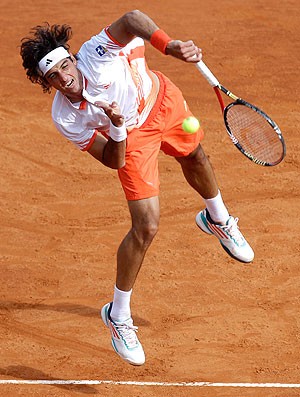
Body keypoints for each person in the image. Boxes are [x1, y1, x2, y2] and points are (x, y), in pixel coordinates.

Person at [20, 9, 254, 366]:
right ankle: (118, 316)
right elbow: (113, 160)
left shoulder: (96, 53)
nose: (64, 78)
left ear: (73, 58)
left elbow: (131, 18)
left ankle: (218, 219)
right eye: (53, 77)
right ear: (46, 83)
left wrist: (170, 45)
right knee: (146, 226)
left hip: (161, 100)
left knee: (196, 157)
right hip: (130, 139)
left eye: (65, 67)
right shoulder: (65, 117)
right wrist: (116, 127)